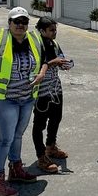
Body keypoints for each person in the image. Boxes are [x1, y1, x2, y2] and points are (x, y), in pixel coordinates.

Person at [0, 6, 47, 196]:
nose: (21, 25)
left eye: (24, 22)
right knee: (5, 139)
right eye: (17, 21)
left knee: (18, 135)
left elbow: (45, 59)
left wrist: (41, 73)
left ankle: (16, 168)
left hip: (27, 98)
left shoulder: (34, 39)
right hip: (5, 99)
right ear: (9, 23)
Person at [31, 16, 71, 174]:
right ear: (42, 31)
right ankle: (41, 157)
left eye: (56, 30)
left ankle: (50, 147)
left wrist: (65, 64)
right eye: (51, 30)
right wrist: (55, 62)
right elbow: (39, 64)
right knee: (39, 125)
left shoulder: (54, 43)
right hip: (41, 91)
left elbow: (59, 59)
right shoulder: (35, 45)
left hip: (55, 89)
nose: (55, 33)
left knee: (56, 118)